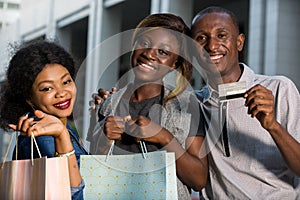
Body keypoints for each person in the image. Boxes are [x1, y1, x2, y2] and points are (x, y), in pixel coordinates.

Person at [88, 13, 208, 199]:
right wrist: (103, 141)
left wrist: (163, 137)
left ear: (174, 64)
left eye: (163, 52)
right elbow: (93, 172)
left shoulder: (187, 106)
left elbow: (199, 180)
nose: (149, 54)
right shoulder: (107, 105)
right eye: (144, 43)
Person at [191, 6, 300, 199]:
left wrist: (273, 126)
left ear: (239, 42)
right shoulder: (194, 103)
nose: (212, 46)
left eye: (222, 35)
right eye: (201, 38)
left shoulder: (279, 88)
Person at [0, 41, 88, 199]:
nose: (61, 93)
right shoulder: (44, 137)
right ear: (29, 98)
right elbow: (72, 195)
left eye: (66, 81)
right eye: (47, 88)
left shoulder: (59, 127)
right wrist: (61, 136)